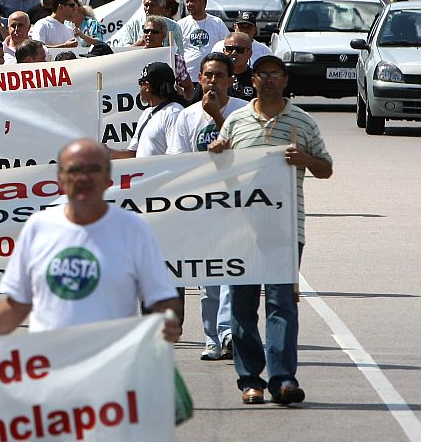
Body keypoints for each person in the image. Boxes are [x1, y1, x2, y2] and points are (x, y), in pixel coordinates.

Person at [0, 138, 181, 353]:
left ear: (108, 179)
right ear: (60, 179)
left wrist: (167, 321)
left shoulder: (133, 229)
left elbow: (162, 297)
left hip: (111, 373)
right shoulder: (38, 227)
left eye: (93, 170)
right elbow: (16, 305)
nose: (83, 178)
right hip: (48, 373)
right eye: (75, 170)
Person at [209, 55, 333, 406]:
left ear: (285, 80)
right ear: (253, 79)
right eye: (260, 74)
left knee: (282, 305)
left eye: (273, 74)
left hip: (285, 229)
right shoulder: (235, 121)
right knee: (242, 307)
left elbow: (326, 168)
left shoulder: (302, 122)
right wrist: (217, 153)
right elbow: (219, 175)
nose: (266, 80)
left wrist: (305, 160)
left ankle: (283, 379)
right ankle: (250, 380)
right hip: (242, 230)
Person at [164, 53, 246, 361]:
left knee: (232, 276)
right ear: (200, 78)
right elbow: (178, 164)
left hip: (236, 205)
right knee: (209, 279)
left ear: (230, 80)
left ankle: (228, 334)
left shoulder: (243, 113)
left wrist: (217, 118)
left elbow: (247, 155)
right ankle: (213, 338)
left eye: (220, 76)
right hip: (201, 207)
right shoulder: (185, 117)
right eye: (208, 75)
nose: (213, 81)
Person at [108, 62, 184, 159]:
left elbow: (176, 156)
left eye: (141, 84)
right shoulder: (147, 113)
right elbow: (133, 153)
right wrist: (108, 152)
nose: (140, 89)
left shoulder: (174, 113)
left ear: (147, 86)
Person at [179, 0, 229, 84]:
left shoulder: (217, 23)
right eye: (187, 2)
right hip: (188, 79)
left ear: (203, 2)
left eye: (192, 1)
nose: (189, 5)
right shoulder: (181, 24)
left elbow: (227, 46)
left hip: (211, 78)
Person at [143, 16, 194, 99]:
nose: (149, 35)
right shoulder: (134, 58)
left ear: (163, 35)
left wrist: (184, 105)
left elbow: (189, 87)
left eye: (154, 32)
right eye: (146, 31)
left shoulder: (176, 60)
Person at [196, 32, 256, 102]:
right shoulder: (211, 76)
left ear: (249, 53)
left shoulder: (256, 79)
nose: (234, 53)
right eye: (229, 49)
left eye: (239, 49)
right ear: (224, 51)